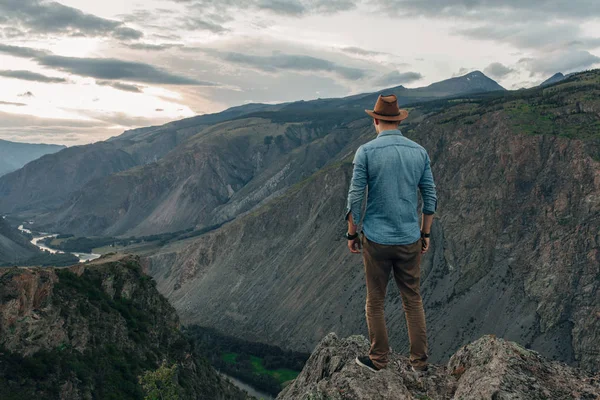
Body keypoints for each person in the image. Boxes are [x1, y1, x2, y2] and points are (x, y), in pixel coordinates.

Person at [344, 94, 437, 373]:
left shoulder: (366, 152)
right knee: (412, 300)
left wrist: (352, 234)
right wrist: (425, 233)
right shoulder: (419, 152)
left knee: (375, 301)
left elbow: (355, 197)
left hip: (376, 239)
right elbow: (430, 196)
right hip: (409, 237)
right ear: (398, 121)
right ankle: (419, 365)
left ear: (375, 120)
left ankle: (379, 360)